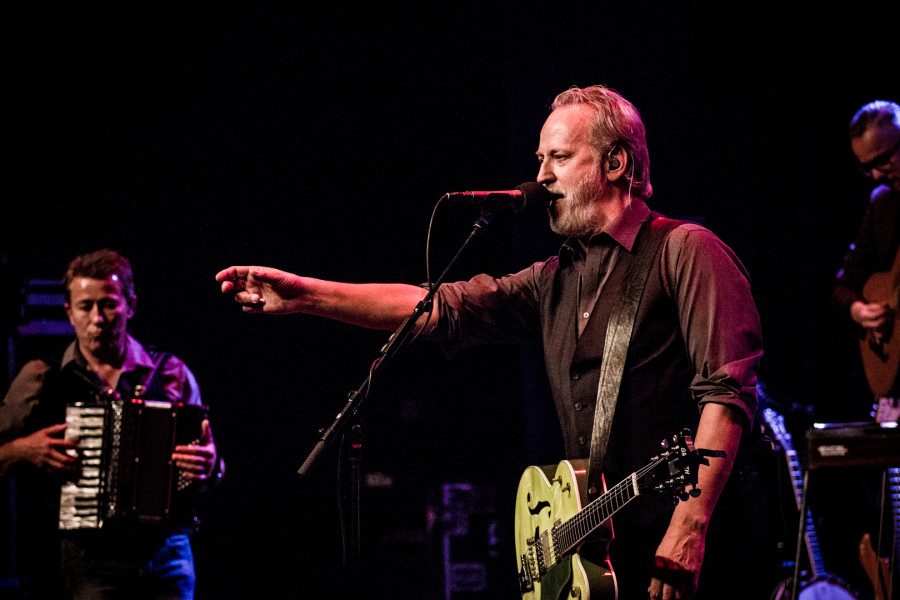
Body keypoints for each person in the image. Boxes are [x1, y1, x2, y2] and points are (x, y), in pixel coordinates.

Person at [216, 84, 777, 599]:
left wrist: (689, 526)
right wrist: (308, 296)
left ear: (615, 163)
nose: (542, 176)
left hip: (694, 552)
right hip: (609, 557)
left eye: (560, 157)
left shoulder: (687, 251)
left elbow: (728, 393)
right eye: (540, 158)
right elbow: (436, 307)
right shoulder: (555, 279)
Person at [0, 249, 224, 600]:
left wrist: (210, 466)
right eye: (85, 306)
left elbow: (209, 463)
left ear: (130, 305)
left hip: (168, 550)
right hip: (89, 556)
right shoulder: (41, 377)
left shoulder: (171, 374)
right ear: (69, 312)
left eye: (108, 305)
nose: (97, 318)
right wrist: (21, 450)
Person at [829, 99, 900, 597]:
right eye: (867, 166)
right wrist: (860, 310)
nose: (877, 172)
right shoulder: (884, 204)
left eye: (885, 158)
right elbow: (842, 287)